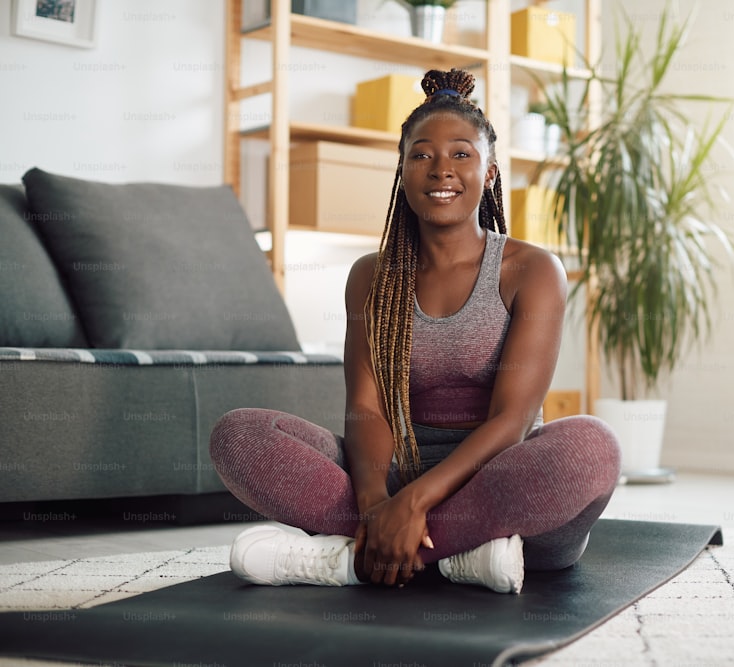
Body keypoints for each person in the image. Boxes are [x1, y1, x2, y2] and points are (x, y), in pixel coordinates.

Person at [209, 68, 621, 594]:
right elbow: (368, 408)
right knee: (240, 436)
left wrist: (413, 505)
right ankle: (458, 554)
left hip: (505, 485)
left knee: (591, 447)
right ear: (402, 172)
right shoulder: (371, 276)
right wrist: (377, 502)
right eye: (422, 155)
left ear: (490, 172)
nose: (440, 169)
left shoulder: (533, 271)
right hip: (397, 476)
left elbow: (514, 420)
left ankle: (354, 558)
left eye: (461, 155)